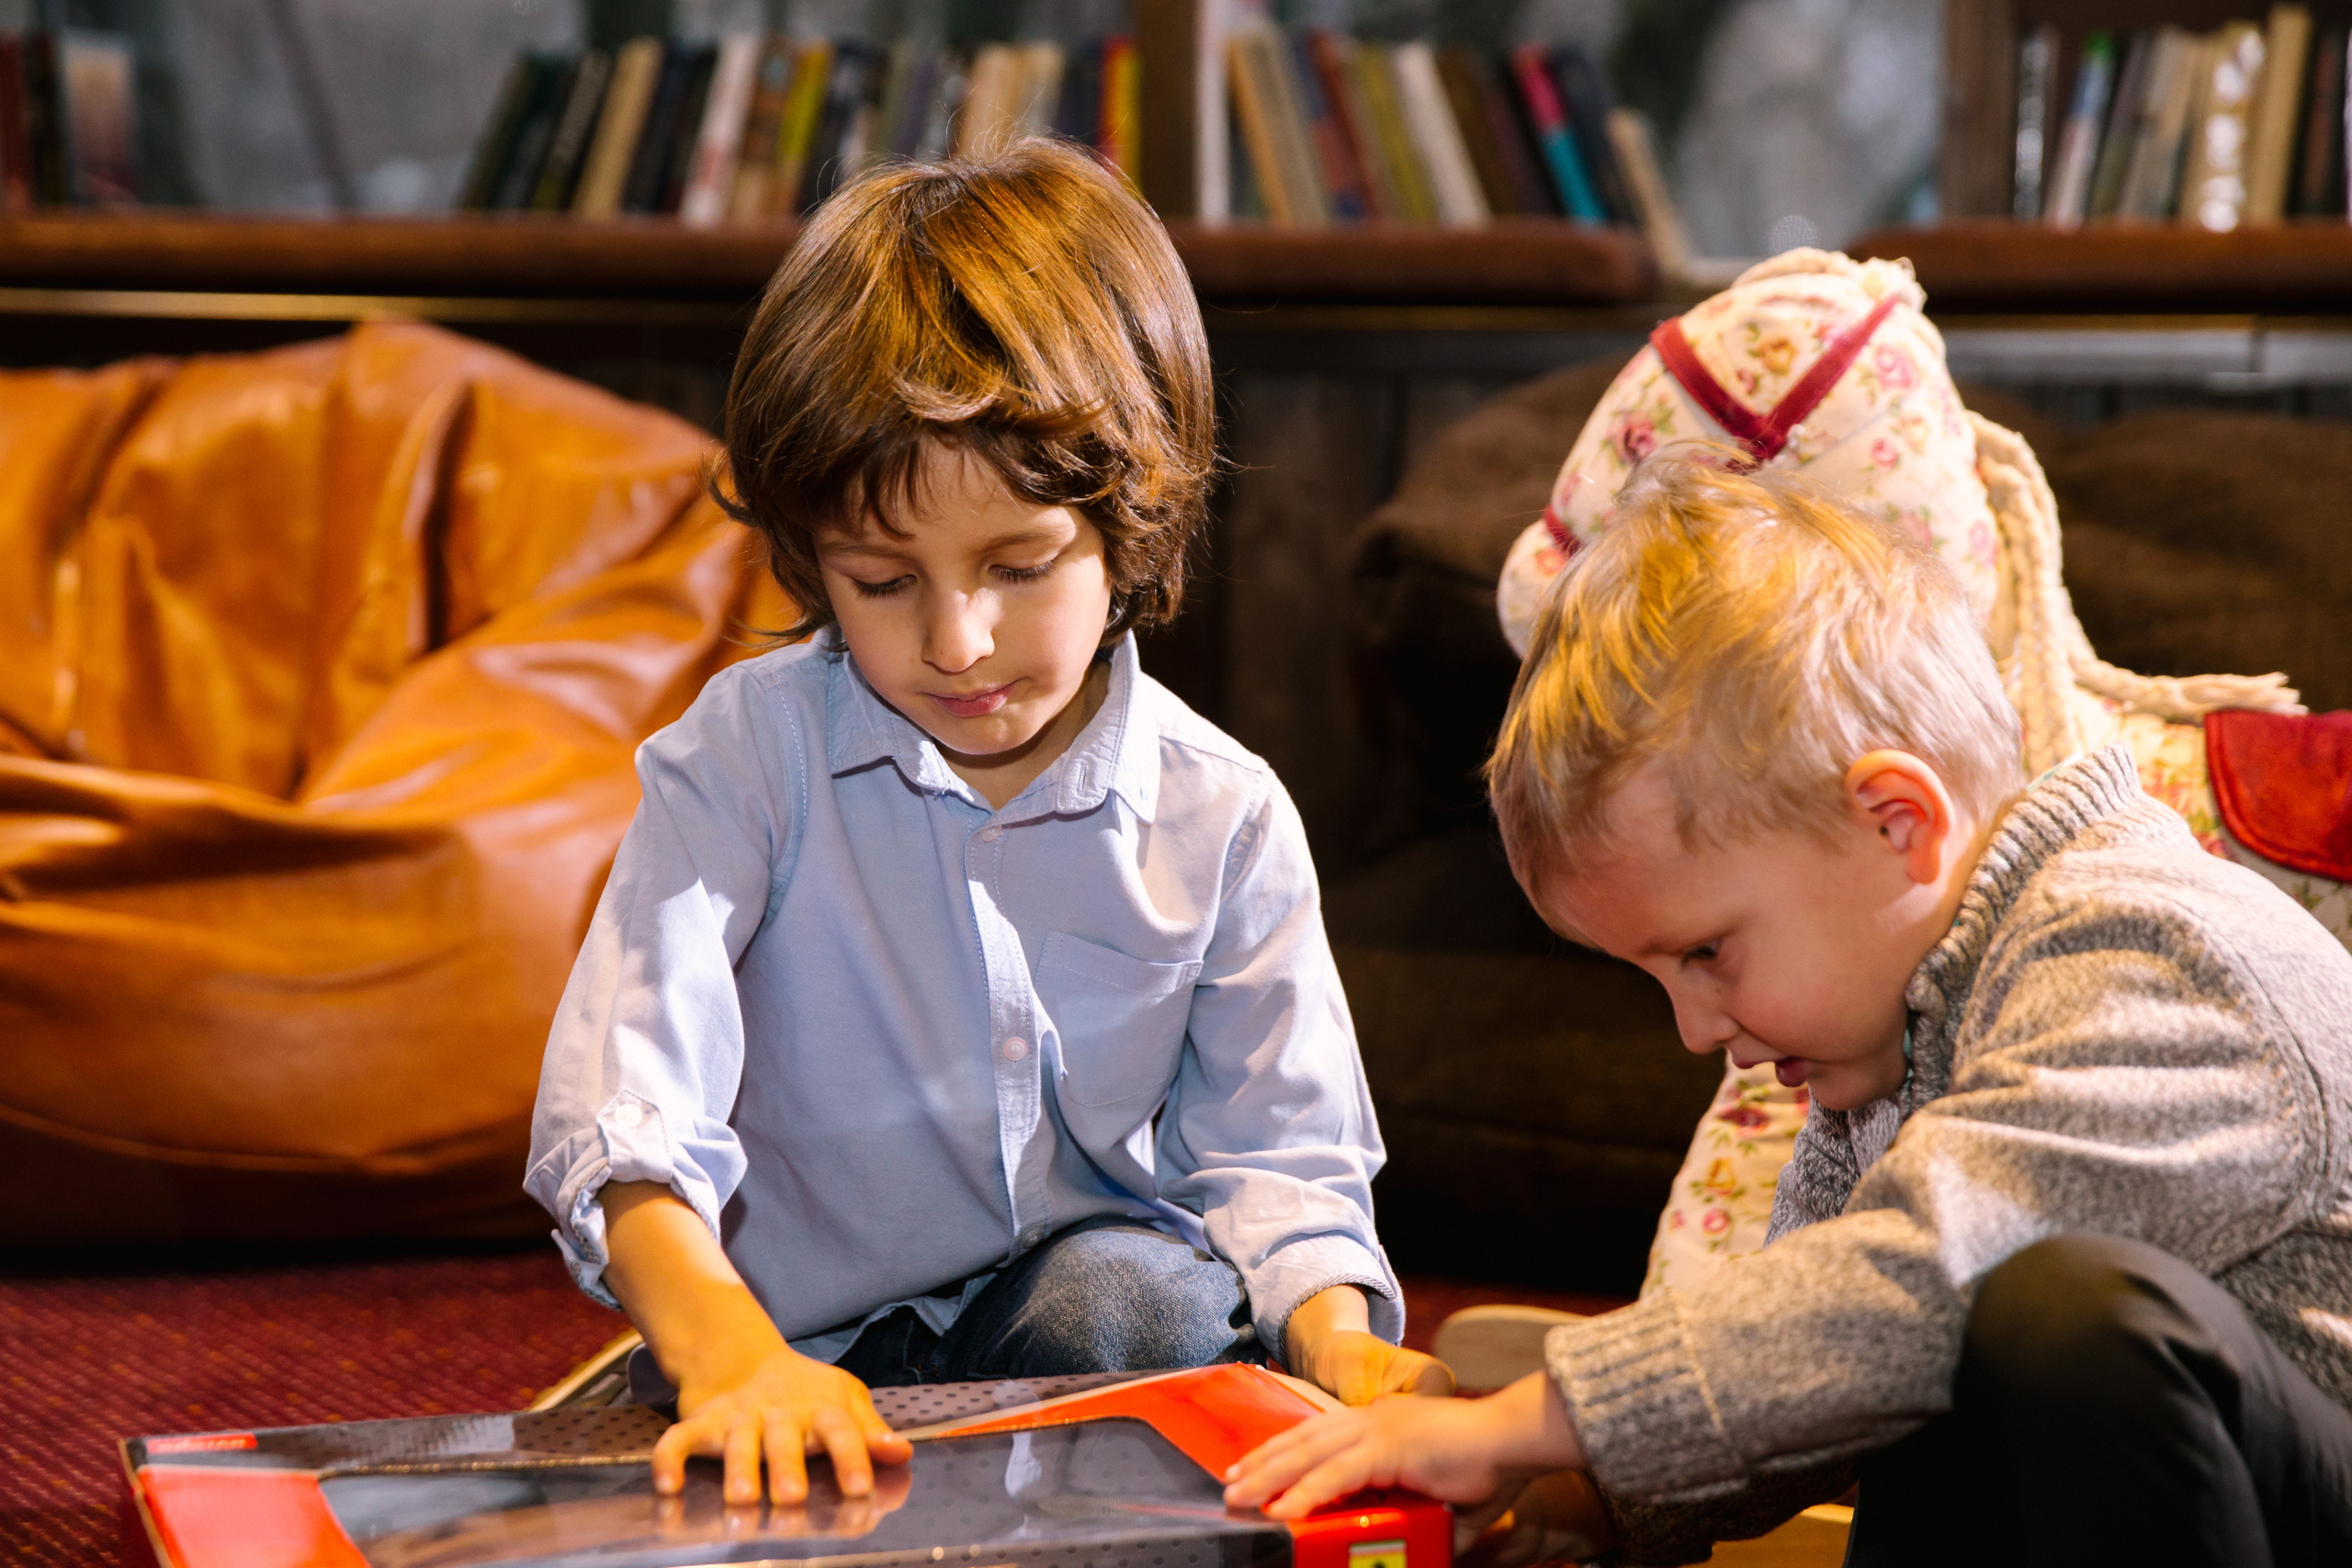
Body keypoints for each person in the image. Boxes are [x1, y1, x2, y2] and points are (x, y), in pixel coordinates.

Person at [526, 140, 1442, 1514]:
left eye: (1020, 566)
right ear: (812, 554)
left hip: (1076, 1344)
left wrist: (1346, 1350)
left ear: (1128, 523)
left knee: (1140, 1301)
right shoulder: (742, 756)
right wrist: (727, 1355)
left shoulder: (1226, 811)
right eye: (883, 579)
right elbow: (624, 1107)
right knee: (640, 1456)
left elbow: (1280, 1163)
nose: (958, 642)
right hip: (788, 1342)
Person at [1225, 457, 2352, 1566]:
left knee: (2061, 1312)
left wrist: (1509, 1424)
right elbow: (1812, 1377)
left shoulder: (2147, 946)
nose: (1694, 1030)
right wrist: (1571, 1508)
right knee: (1929, 1359)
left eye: (1707, 952)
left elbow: (1918, 1276)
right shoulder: (1898, 1030)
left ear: (1894, 821)